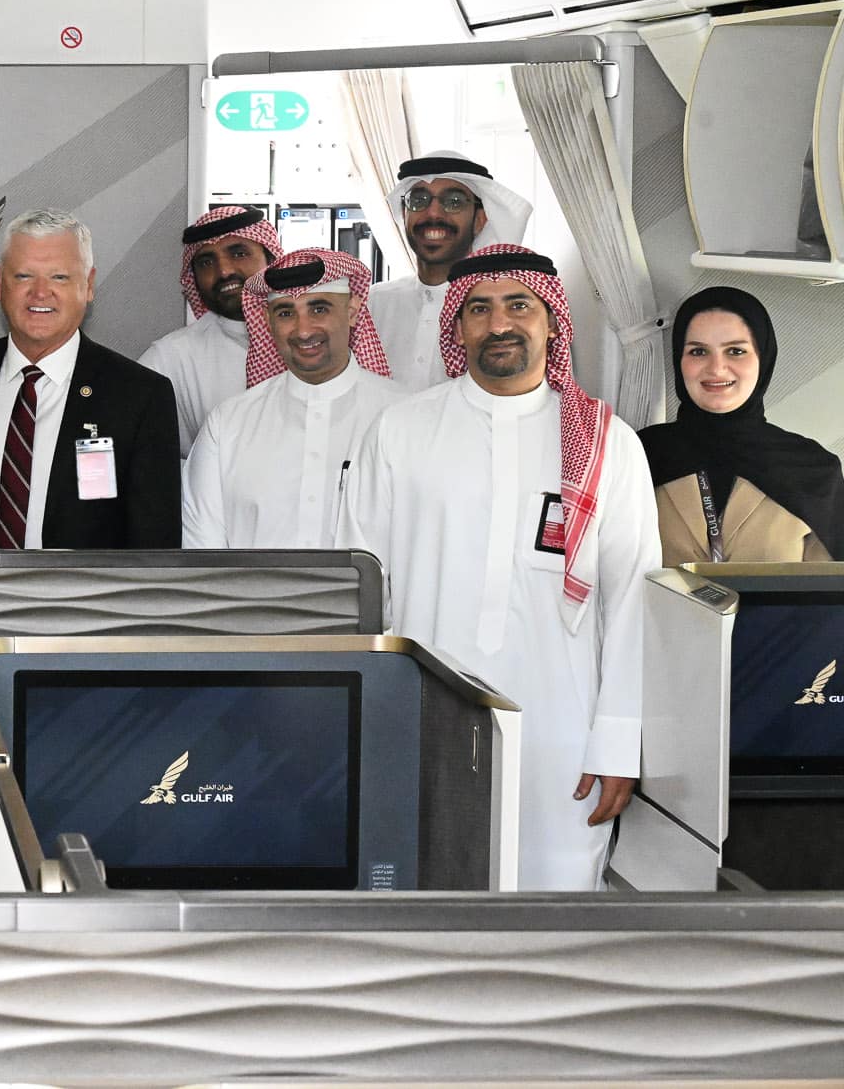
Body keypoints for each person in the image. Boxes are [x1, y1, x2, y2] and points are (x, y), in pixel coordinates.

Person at [339, 245, 658, 891]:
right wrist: (366, 720)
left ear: (552, 322)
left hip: (564, 728)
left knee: (558, 899)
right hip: (425, 718)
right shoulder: (399, 430)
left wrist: (619, 741)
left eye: (520, 305)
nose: (499, 323)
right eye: (479, 309)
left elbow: (632, 604)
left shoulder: (607, 445)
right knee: (428, 892)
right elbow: (360, 591)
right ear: (456, 326)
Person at [0, 209, 180, 549]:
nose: (40, 292)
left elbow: (155, 546)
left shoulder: (140, 396)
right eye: (23, 277)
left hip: (86, 600)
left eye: (59, 277)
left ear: (88, 286)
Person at [183, 248, 406, 549]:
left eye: (319, 309)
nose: (303, 331)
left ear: (352, 311)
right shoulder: (228, 424)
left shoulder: (403, 416)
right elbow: (202, 551)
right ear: (267, 321)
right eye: (286, 313)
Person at [638, 286, 843, 562]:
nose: (716, 368)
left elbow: (828, 598)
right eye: (698, 352)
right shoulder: (640, 455)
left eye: (735, 351)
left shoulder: (812, 470)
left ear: (763, 359)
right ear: (679, 359)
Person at [370, 151, 532, 389]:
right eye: (419, 200)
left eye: (454, 202)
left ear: (479, 220)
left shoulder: (503, 311)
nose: (433, 213)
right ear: (404, 214)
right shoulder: (373, 303)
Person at [137, 205, 282, 457]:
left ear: (271, 259)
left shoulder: (317, 340)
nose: (224, 271)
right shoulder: (172, 357)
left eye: (239, 253)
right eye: (206, 262)